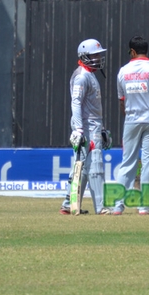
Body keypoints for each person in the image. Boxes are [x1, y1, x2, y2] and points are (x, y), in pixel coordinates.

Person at [111, 36, 149, 215]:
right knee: (148, 163)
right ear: (146, 51)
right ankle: (144, 206)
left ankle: (118, 206)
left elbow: (122, 100)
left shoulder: (122, 71)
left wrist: (128, 117)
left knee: (127, 163)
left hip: (131, 120)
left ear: (133, 52)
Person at [60, 38, 110, 215]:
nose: (98, 58)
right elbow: (76, 103)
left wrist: (102, 129)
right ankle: (101, 207)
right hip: (86, 127)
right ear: (85, 56)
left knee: (84, 167)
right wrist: (79, 129)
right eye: (95, 55)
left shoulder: (90, 75)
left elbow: (93, 107)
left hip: (93, 126)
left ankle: (69, 203)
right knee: (93, 164)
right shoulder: (81, 76)